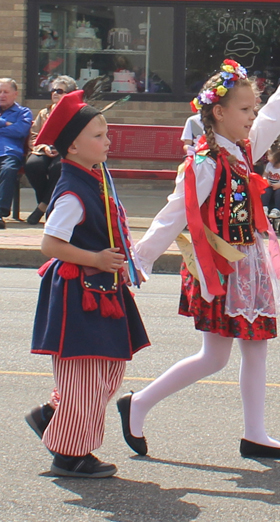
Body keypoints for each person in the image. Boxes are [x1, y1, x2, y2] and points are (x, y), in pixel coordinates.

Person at [116, 37, 280, 460]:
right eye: (244, 110)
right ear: (218, 112)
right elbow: (173, 214)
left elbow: (273, 118)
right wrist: (141, 258)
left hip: (246, 264)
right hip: (219, 269)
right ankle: (140, 403)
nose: (251, 117)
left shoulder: (241, 149)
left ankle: (254, 432)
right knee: (215, 357)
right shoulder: (205, 161)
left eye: (252, 110)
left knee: (249, 348)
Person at [25, 90, 150, 478]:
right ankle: (69, 454)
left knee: (107, 370)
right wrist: (96, 259)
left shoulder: (92, 179)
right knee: (84, 374)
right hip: (81, 295)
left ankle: (52, 416)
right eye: (98, 135)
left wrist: (118, 264)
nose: (107, 141)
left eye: (106, 134)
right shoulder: (72, 191)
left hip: (101, 290)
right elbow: (50, 243)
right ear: (74, 146)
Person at [24, 75, 77, 225]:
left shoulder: (76, 114)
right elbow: (34, 136)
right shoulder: (44, 113)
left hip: (66, 152)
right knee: (33, 165)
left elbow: (79, 138)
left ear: (69, 94)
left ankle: (41, 208)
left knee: (59, 168)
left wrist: (61, 149)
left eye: (60, 91)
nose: (55, 93)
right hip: (44, 149)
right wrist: (44, 147)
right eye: (53, 90)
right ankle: (49, 208)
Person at [0, 78, 32, 229]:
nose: (2, 95)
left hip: (9, 153)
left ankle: (0, 212)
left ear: (15, 94)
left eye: (5, 92)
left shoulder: (23, 112)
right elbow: (13, 129)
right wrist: (5, 123)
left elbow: (20, 131)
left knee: (8, 169)